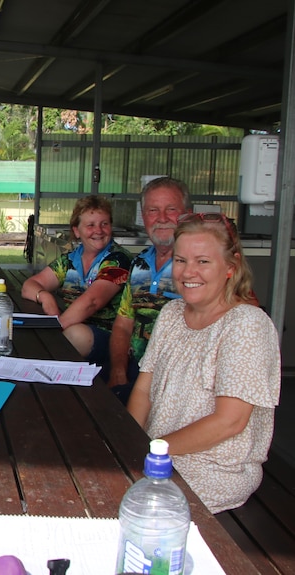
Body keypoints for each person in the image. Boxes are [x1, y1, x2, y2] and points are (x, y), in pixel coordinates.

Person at [127, 213, 280, 513]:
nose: (188, 272)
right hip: (157, 455)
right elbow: (143, 389)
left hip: (213, 469)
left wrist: (150, 452)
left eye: (203, 261)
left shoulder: (246, 324)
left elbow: (229, 421)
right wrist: (129, 445)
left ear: (230, 267)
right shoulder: (172, 313)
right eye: (181, 260)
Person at [107, 177, 191, 403]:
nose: (162, 218)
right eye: (153, 210)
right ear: (143, 217)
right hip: (137, 371)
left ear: (187, 214)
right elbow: (123, 324)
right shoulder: (139, 263)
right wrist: (118, 370)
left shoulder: (198, 266)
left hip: (179, 382)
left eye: (171, 209)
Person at [21, 195, 130, 363]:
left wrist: (55, 330)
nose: (99, 230)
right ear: (77, 231)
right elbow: (29, 286)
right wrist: (44, 296)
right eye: (90, 225)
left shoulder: (118, 259)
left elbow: (92, 301)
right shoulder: (71, 259)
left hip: (110, 341)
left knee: (73, 335)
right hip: (74, 332)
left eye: (104, 224)